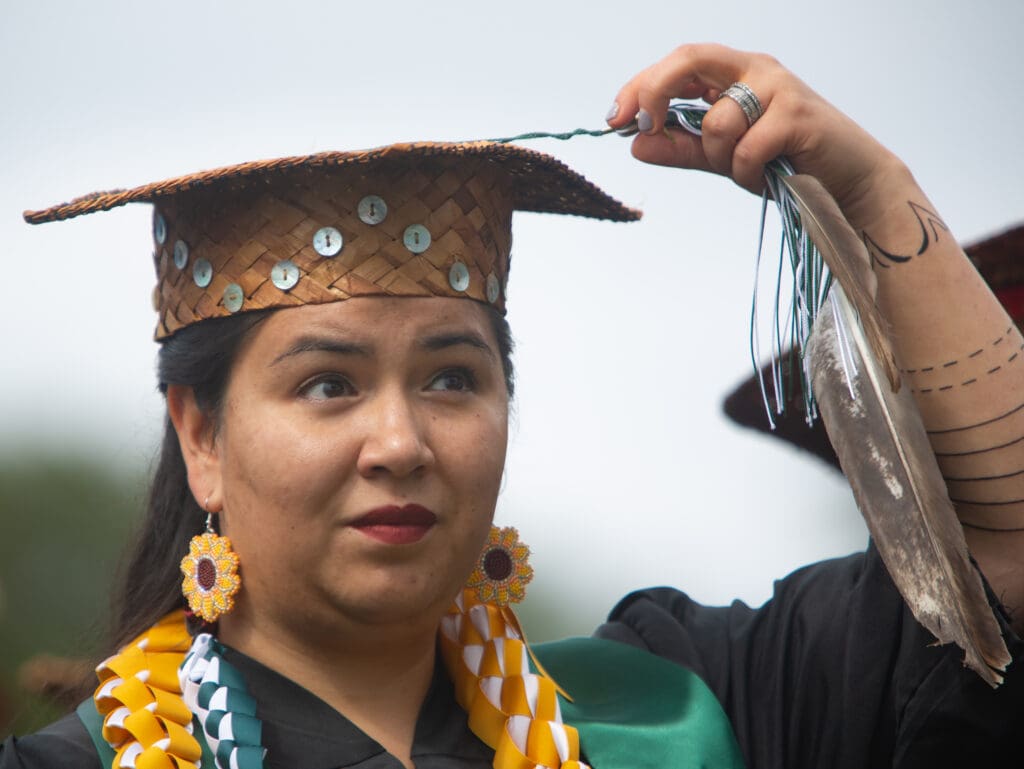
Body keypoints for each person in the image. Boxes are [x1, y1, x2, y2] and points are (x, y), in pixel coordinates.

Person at [1, 43, 1021, 769]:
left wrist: (873, 189)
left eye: (452, 377)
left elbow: (1002, 569)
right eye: (327, 385)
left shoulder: (682, 711)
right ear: (201, 436)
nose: (399, 442)